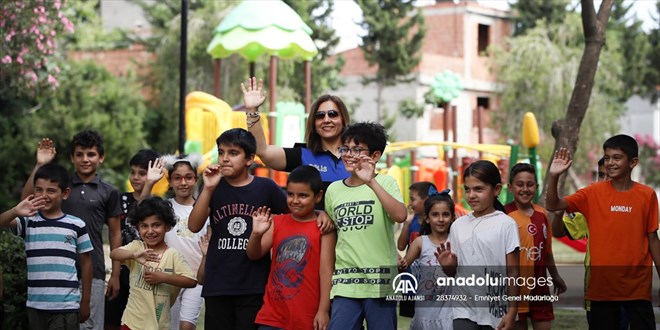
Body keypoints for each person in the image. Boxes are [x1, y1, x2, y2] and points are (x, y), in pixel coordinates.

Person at [546, 135, 660, 330]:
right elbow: (553, 204)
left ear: (633, 162)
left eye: (617, 158)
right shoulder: (592, 193)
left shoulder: (647, 196)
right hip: (601, 290)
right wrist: (554, 175)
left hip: (637, 289)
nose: (610, 163)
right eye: (607, 158)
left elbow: (653, 239)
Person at [187, 128, 288, 329]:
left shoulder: (266, 187)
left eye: (233, 153)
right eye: (221, 152)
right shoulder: (213, 187)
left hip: (253, 284)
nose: (224, 158)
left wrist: (319, 214)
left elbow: (294, 211)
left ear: (250, 158)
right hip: (218, 283)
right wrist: (207, 188)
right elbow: (194, 225)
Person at [21, 132, 122, 330]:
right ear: (71, 157)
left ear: (101, 157)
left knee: (90, 325)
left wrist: (116, 274)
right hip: (54, 272)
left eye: (91, 154)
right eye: (80, 154)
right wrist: (40, 165)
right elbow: (26, 203)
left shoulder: (109, 192)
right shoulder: (59, 186)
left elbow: (115, 233)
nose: (85, 159)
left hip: (93, 270)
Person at [324, 122, 408, 329]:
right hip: (345, 283)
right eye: (345, 148)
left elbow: (400, 215)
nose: (349, 154)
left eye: (357, 149)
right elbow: (334, 233)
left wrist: (371, 182)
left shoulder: (385, 183)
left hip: (380, 284)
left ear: (376, 155)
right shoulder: (334, 190)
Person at [1, 164, 93, 329]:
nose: (44, 196)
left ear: (64, 193)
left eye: (51, 190)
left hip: (65, 307)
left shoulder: (76, 224)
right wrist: (15, 210)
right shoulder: (29, 221)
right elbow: (2, 221)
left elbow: (86, 263)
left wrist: (85, 301)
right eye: (39, 190)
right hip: (35, 305)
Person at [246, 165, 336, 330]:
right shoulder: (278, 222)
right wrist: (256, 234)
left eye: (303, 195)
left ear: (318, 196)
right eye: (290, 194)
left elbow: (326, 271)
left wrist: (323, 310)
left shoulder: (324, 228)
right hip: (272, 315)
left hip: (307, 316)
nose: (295, 200)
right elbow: (254, 254)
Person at [241, 77, 351, 210]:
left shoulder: (356, 157)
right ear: (313, 123)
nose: (326, 119)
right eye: (320, 115)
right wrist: (252, 110)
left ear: (343, 120)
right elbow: (261, 150)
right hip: (313, 230)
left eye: (333, 114)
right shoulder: (302, 155)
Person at [436, 160, 520, 329]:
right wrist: (448, 266)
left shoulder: (506, 224)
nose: (471, 195)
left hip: (496, 310)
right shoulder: (458, 225)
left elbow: (513, 272)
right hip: (463, 310)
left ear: (496, 190)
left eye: (478, 189)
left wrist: (512, 312)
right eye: (467, 189)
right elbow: (454, 273)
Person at [110, 197, 196, 330]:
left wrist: (163, 278)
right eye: (144, 226)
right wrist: (133, 255)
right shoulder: (137, 247)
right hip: (132, 323)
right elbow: (114, 254)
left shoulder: (173, 255)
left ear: (167, 226)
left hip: (159, 324)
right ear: (138, 227)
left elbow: (191, 281)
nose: (150, 231)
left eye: (156, 225)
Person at [504, 163, 566, 330]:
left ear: (536, 187)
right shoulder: (504, 216)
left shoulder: (542, 214)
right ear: (510, 187)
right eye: (520, 184)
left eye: (530, 184)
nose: (525, 189)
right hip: (516, 291)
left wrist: (555, 275)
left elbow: (546, 252)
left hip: (540, 289)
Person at [105, 149, 161, 330]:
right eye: (133, 172)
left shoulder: (158, 205)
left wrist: (150, 184)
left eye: (142, 173)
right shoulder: (119, 199)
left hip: (145, 274)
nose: (135, 177)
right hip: (121, 271)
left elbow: (140, 213)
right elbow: (125, 226)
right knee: (112, 321)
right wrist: (114, 275)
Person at [160, 153, 208, 330]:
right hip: (168, 277)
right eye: (177, 178)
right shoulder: (164, 208)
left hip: (195, 278)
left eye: (188, 177)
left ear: (196, 179)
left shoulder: (204, 210)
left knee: (187, 326)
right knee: (168, 326)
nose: (183, 183)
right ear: (170, 181)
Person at [400, 189, 455, 329]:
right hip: (425, 309)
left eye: (446, 214)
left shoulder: (457, 241)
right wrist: (398, 262)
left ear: (453, 217)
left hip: (450, 309)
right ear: (427, 218)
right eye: (435, 214)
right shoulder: (420, 242)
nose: (441, 219)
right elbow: (404, 266)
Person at [397, 181, 436, 318]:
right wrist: (406, 224)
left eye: (413, 199)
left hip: (429, 279)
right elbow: (401, 246)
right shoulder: (412, 220)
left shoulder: (435, 223)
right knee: (412, 317)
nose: (410, 203)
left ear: (426, 200)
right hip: (411, 277)